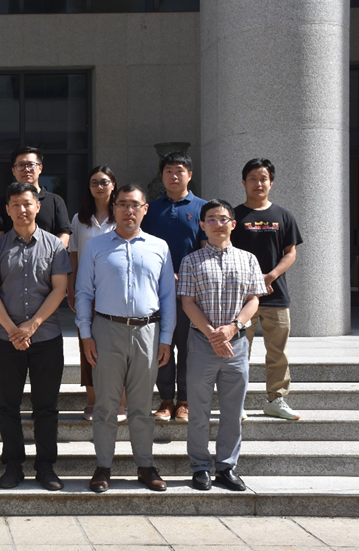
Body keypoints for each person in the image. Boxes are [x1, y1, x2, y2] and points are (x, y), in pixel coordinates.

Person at [75, 184, 175, 494]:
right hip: (106, 330)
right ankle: (103, 466)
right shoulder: (96, 246)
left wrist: (166, 339)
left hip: (147, 331)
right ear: (114, 208)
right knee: (105, 405)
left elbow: (167, 296)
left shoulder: (159, 247)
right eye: (122, 204)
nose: (128, 211)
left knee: (142, 405)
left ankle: (145, 466)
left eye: (134, 205)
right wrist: (86, 335)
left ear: (145, 209)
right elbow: (83, 293)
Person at [0, 182, 71, 491]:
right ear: (7, 210)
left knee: (46, 407)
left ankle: (46, 467)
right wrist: (12, 330)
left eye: (27, 203)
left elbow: (59, 289)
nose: (22, 209)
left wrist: (32, 325)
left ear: (37, 206)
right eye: (16, 205)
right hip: (7, 340)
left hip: (46, 337)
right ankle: (13, 466)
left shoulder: (55, 246)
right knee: (8, 406)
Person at [178, 199, 266, 491]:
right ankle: (200, 467)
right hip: (201, 343)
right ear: (202, 225)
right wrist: (213, 335)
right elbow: (188, 303)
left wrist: (232, 328)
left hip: (237, 345)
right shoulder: (191, 261)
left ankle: (227, 467)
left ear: (233, 224)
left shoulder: (249, 259)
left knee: (232, 411)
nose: (218, 224)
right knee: (198, 410)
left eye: (223, 219)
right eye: (212, 219)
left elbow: (253, 299)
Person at [231, 158, 303, 421]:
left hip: (276, 294)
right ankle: (236, 401)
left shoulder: (283, 216)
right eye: (252, 178)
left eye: (263, 178)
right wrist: (251, 280)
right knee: (240, 350)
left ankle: (277, 399)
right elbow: (227, 252)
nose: (258, 183)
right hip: (241, 297)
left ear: (271, 183)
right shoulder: (234, 216)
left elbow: (290, 252)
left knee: (278, 352)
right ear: (243, 182)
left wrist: (271, 275)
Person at [141, 152, 207, 424]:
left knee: (188, 347)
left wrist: (187, 276)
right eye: (168, 171)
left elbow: (206, 250)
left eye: (179, 170)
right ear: (162, 175)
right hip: (156, 291)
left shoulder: (203, 208)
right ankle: (166, 399)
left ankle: (185, 401)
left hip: (192, 292)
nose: (174, 175)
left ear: (189, 175)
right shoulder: (150, 209)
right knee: (162, 345)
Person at [67, 165, 118, 422]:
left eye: (104, 182)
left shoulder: (121, 215)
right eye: (94, 182)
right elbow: (73, 256)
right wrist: (71, 288)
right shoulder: (79, 219)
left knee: (116, 346)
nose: (99, 186)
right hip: (87, 290)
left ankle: (119, 402)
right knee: (87, 344)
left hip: (116, 291)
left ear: (113, 185)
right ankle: (92, 400)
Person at [0, 146, 72, 248]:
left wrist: (48, 253)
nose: (26, 169)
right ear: (13, 171)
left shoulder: (55, 201)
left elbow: (64, 235)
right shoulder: (3, 202)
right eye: (21, 165)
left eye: (31, 165)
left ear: (40, 168)